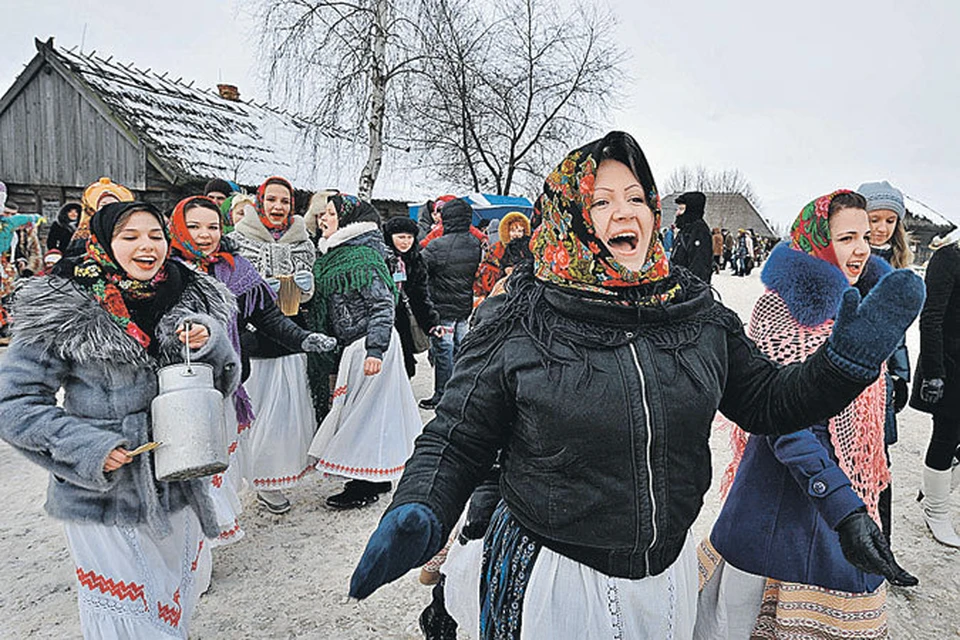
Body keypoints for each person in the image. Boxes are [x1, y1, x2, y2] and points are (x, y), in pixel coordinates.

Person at [346, 131, 924, 639]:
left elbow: (773, 403)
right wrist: (421, 505)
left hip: (665, 581)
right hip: (559, 579)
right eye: (601, 202)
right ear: (572, 217)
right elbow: (457, 435)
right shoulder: (523, 313)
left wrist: (844, 362)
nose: (626, 213)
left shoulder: (695, 312)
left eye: (636, 198)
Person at [0, 200, 240, 639]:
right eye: (129, 237)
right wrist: (90, 448)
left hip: (177, 481)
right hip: (104, 493)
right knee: (127, 616)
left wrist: (208, 346)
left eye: (154, 235)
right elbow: (14, 403)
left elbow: (219, 385)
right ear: (105, 242)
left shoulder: (189, 294)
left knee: (171, 602)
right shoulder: (64, 306)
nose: (146, 246)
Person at [695, 191, 917, 640]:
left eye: (864, 235)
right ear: (817, 240)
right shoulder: (785, 308)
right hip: (783, 499)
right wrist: (842, 505)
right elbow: (784, 426)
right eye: (846, 236)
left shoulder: (861, 300)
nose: (860, 248)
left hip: (841, 498)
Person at [167, 195, 335, 539]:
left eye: (213, 226)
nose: (205, 234)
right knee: (190, 470)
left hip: (227, 384)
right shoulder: (164, 272)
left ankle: (205, 540)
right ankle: (196, 547)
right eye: (195, 226)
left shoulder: (234, 268)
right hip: (180, 390)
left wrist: (302, 339)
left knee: (219, 467)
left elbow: (268, 315)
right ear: (178, 228)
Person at [306, 195, 423, 509]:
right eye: (322, 214)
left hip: (371, 345)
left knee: (364, 417)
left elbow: (383, 305)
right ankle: (376, 476)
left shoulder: (362, 258)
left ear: (349, 221)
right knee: (369, 413)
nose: (323, 219)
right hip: (357, 345)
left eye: (330, 214)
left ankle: (363, 484)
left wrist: (375, 349)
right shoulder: (337, 254)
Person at [228, 176, 318, 514]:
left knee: (285, 414)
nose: (278, 207)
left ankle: (272, 479)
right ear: (260, 202)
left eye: (284, 201)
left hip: (291, 332)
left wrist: (307, 288)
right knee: (257, 413)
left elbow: (309, 291)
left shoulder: (303, 241)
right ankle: (250, 473)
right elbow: (224, 287)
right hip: (254, 338)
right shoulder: (237, 240)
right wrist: (249, 290)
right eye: (272, 200)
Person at [859, 180, 914, 543]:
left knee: (880, 464)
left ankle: (883, 545)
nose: (881, 228)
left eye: (889, 221)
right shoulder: (851, 260)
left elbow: (899, 331)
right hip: (853, 376)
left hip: (883, 383)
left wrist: (901, 374)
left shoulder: (899, 268)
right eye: (874, 219)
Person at [910, 226, 960, 547]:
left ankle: (935, 486)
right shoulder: (948, 258)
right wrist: (934, 373)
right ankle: (936, 510)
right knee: (946, 435)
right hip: (950, 365)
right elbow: (931, 318)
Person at [419, 198, 483, 411]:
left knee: (443, 352)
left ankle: (442, 395)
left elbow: (420, 269)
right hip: (463, 307)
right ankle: (461, 393)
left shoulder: (437, 246)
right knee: (461, 350)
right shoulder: (475, 243)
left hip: (442, 308)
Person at [383, 215, 443, 378]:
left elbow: (420, 295)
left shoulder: (416, 260)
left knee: (404, 367)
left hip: (403, 320)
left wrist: (431, 323)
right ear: (390, 237)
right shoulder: (380, 259)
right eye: (401, 237)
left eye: (409, 237)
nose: (405, 241)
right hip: (381, 319)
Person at [0, 194, 41, 333]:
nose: (10, 217)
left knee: (10, 299)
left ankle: (7, 327)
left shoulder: (24, 231)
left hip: (13, 270)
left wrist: (27, 266)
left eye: (13, 214)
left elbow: (34, 252)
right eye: (7, 213)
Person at [473, 211, 532, 303]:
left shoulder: (529, 247)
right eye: (513, 231)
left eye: (520, 231)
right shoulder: (497, 247)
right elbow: (489, 267)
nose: (516, 234)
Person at [70, 177, 135, 251]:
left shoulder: (130, 229)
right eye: (103, 205)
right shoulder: (86, 234)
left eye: (113, 204)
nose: (109, 208)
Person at [672, 191, 713, 283]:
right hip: (679, 287)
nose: (677, 213)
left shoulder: (699, 231)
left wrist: (691, 291)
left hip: (689, 290)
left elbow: (699, 269)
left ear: (691, 210)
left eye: (681, 209)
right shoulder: (685, 230)